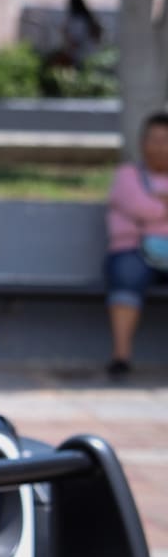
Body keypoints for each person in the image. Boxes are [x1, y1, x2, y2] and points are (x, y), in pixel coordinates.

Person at [103, 110, 168, 378]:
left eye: (166, 140)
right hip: (133, 250)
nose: (160, 147)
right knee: (127, 274)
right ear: (142, 143)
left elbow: (147, 210)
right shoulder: (127, 174)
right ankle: (121, 358)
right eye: (154, 139)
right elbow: (141, 208)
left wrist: (156, 201)